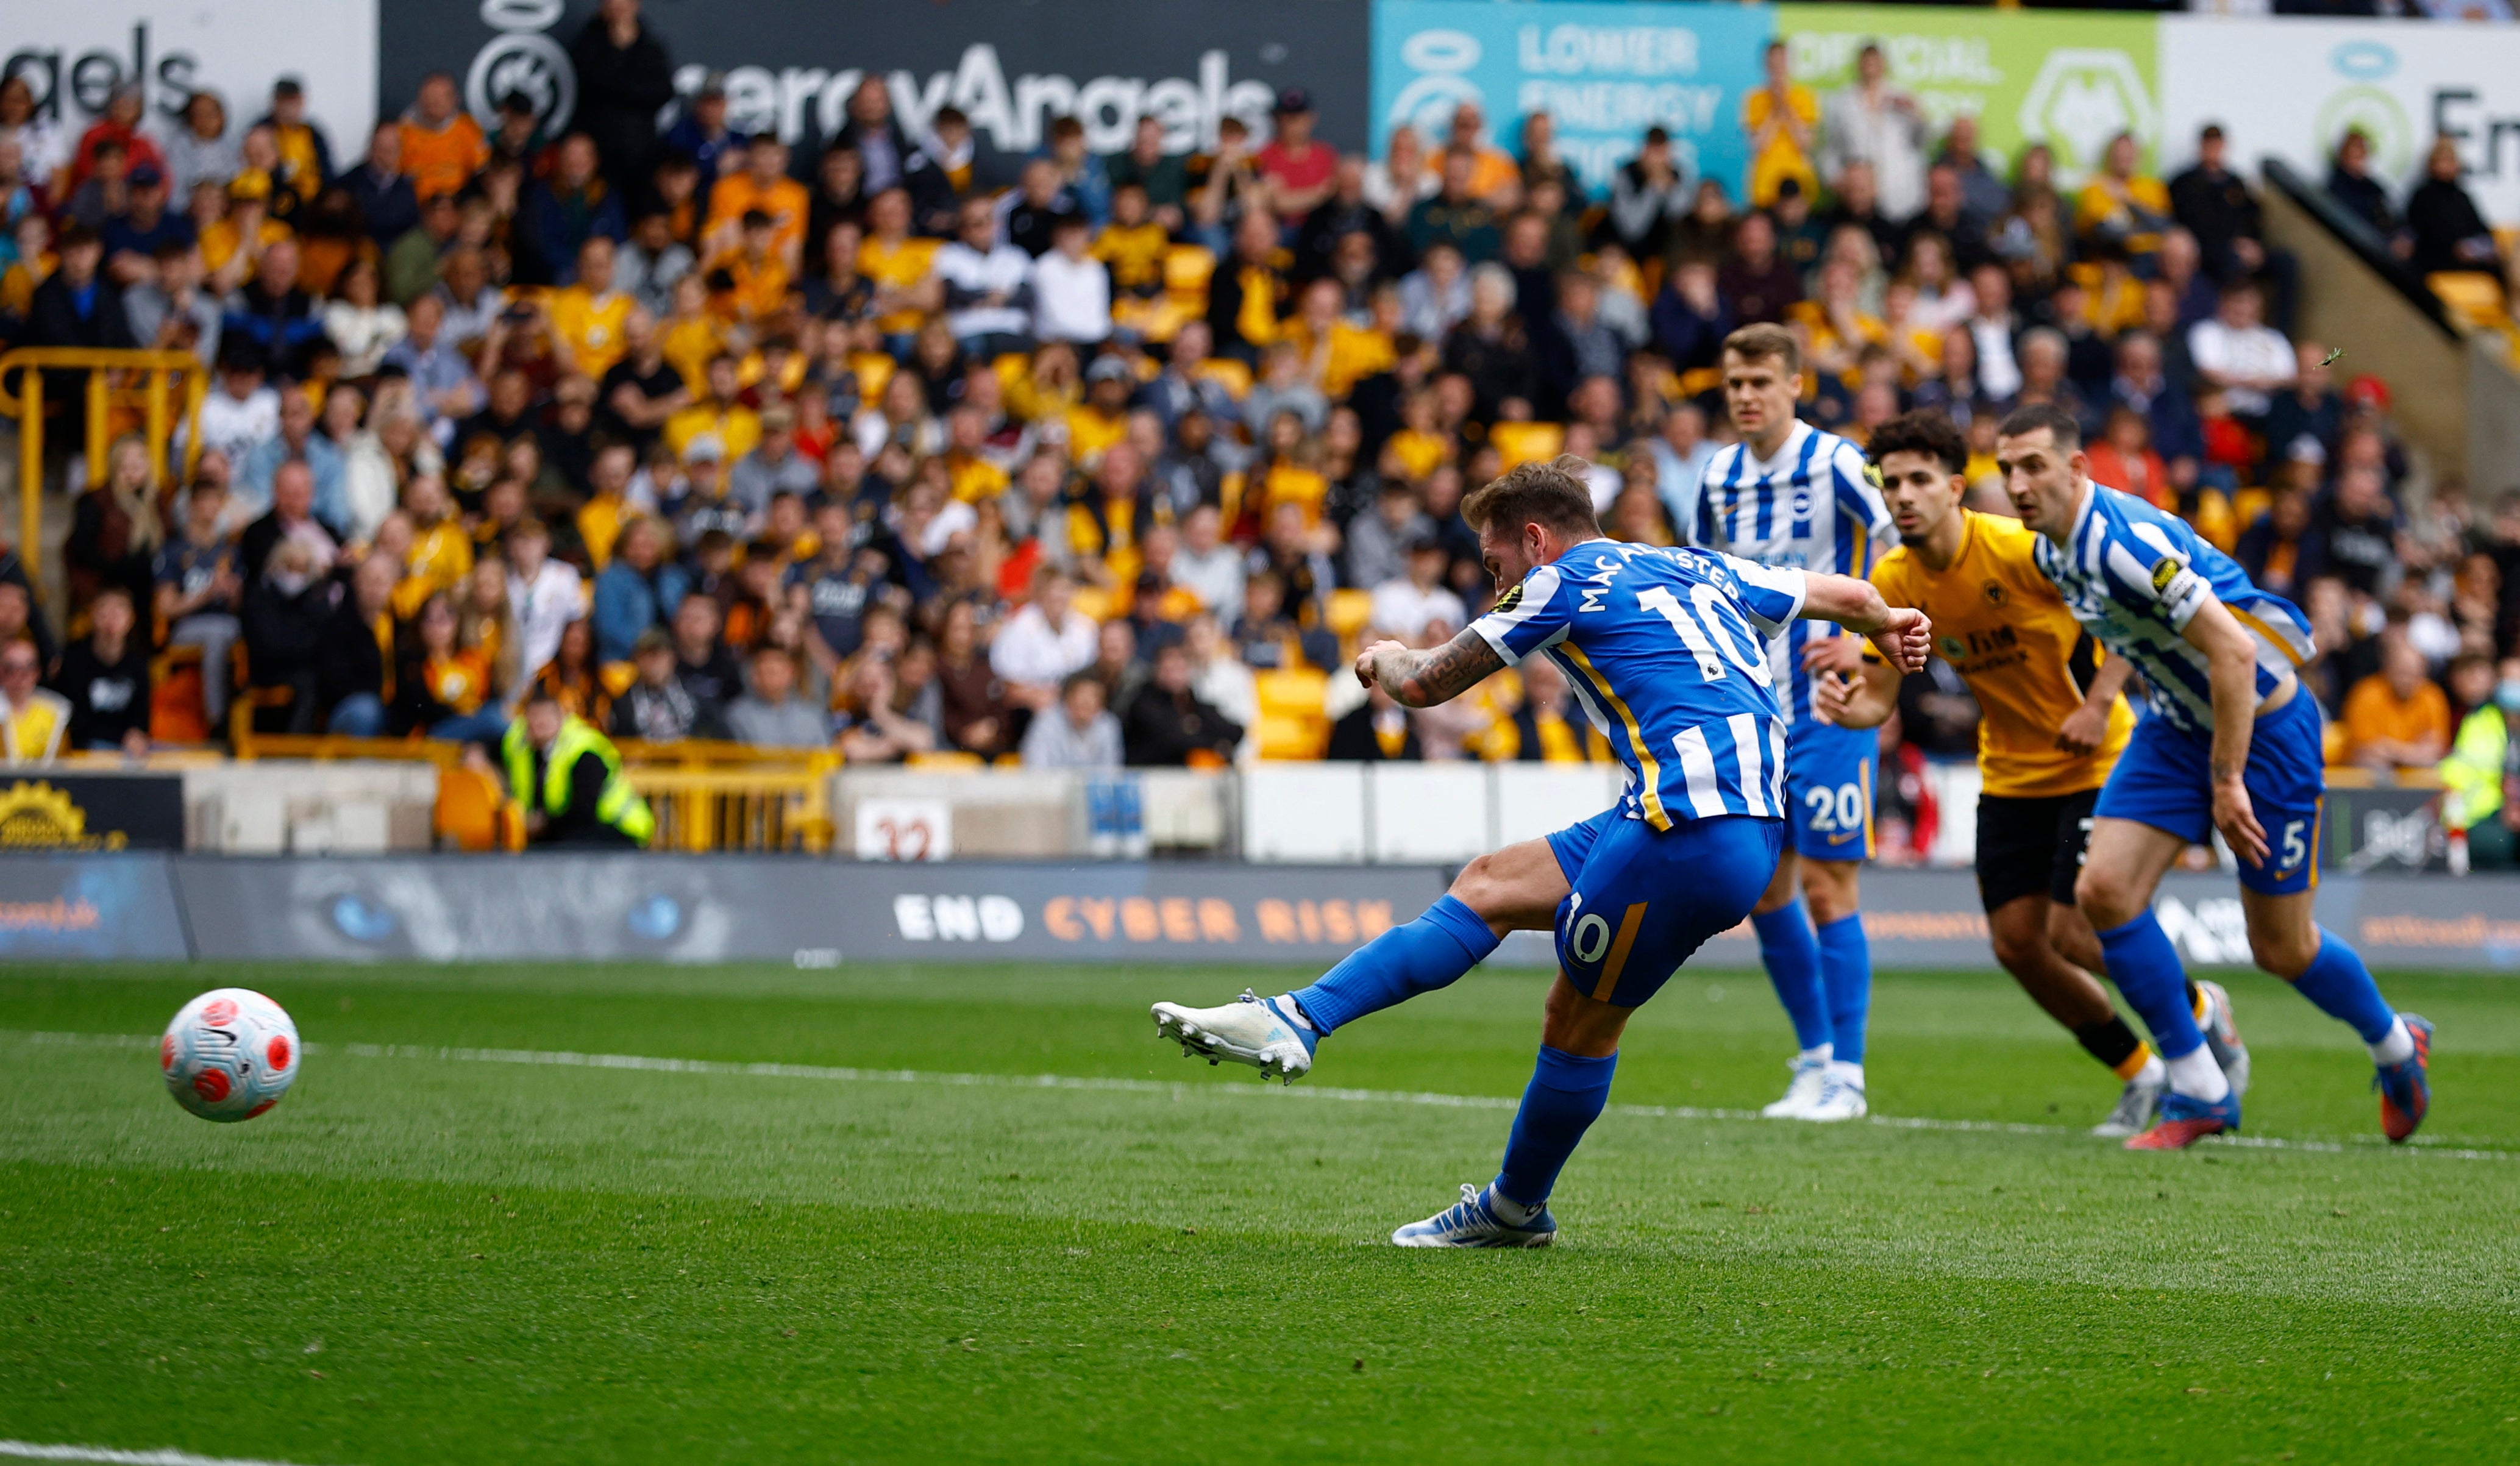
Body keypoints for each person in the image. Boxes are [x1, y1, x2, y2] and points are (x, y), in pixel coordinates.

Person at [1147, 457, 1930, 1246]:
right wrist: (1893, 624)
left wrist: (1380, 656)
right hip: (1725, 819)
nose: (1498, 590)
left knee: (1578, 1020)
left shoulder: (1559, 581)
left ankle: (1514, 1206)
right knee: (1488, 883)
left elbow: (1422, 684)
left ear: (1534, 538)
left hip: (1683, 826)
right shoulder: (1691, 563)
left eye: (1496, 567)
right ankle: (1296, 1019)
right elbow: (1852, 595)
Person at [1996, 402, 2430, 1149]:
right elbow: (2131, 625)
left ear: (2075, 468)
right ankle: (2200, 1086)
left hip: (2262, 728)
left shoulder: (2119, 539)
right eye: (2006, 468)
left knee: (2281, 948)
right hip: (2174, 726)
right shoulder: (2054, 550)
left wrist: (2228, 780)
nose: (2017, 482)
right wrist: (2105, 701)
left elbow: (2233, 655)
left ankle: (2397, 1043)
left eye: (2033, 464)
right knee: (2102, 892)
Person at [1817, 411, 2244, 1136]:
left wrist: (2101, 702)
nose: (1904, 496)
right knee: (2018, 946)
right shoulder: (1893, 577)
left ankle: (2202, 1016)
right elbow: (1880, 701)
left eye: (1920, 480)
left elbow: (2127, 613)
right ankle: (2139, 1070)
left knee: (2076, 933)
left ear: (1955, 487)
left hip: (2095, 759)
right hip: (2010, 774)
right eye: (1891, 484)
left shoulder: (2024, 550)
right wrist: (1844, 705)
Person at [1694, 324, 1895, 1123]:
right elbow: (1705, 576)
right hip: (1751, 706)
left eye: (1760, 382)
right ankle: (1813, 1058)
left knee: (1824, 882)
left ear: (1795, 385)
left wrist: (1857, 634)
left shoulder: (1837, 462)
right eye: (1734, 382)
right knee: (1764, 885)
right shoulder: (1716, 476)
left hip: (1831, 696)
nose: (1745, 396)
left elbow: (1896, 546)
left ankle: (1846, 1073)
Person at [504, 686, 655, 847]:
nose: (538, 726)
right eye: (534, 720)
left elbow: (584, 811)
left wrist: (543, 824)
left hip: (621, 828)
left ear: (560, 718)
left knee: (560, 847)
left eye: (545, 720)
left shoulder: (583, 750)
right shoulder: (518, 744)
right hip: (570, 827)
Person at [155, 477, 246, 729]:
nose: (210, 508)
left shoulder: (231, 551)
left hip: (230, 622)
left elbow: (240, 605)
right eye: (204, 501)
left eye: (216, 501)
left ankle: (251, 710)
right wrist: (206, 593)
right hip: (189, 626)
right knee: (218, 637)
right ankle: (217, 720)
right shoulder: (174, 550)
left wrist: (234, 593)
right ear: (192, 506)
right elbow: (166, 607)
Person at [2340, 635, 2452, 775]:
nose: (2407, 680)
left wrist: (2392, 749)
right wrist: (2414, 752)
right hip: (2372, 774)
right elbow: (2365, 748)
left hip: (2415, 770)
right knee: (2373, 765)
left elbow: (2436, 748)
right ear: (2388, 669)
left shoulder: (2432, 697)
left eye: (2413, 674)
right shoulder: (2366, 694)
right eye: (2402, 673)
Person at [725, 644, 829, 748]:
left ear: (791, 673)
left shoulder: (811, 715)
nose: (768, 678)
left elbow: (825, 756)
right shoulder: (738, 716)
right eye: (762, 672)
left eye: (773, 672)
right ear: (754, 676)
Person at [1021, 670, 1123, 769]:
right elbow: (1035, 767)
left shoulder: (1108, 726)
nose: (1085, 702)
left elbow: (1112, 771)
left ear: (1101, 704)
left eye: (1091, 698)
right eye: (1080, 696)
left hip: (1094, 786)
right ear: (1067, 699)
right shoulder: (1045, 722)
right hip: (1050, 785)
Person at [0, 636, 69, 764]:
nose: (19, 677)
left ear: (37, 672)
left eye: (27, 669)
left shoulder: (57, 711)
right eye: (10, 669)